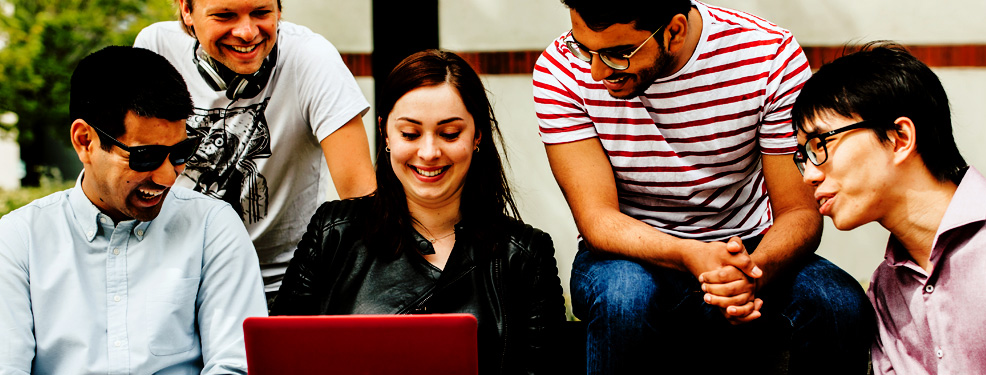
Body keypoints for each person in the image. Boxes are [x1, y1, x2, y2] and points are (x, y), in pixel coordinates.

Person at [532, 0, 874, 373]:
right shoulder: (560, 69)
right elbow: (597, 219)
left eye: (617, 54)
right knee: (623, 298)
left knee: (838, 302)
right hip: (626, 251)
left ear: (674, 31)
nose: (597, 72)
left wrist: (749, 274)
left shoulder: (767, 55)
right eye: (585, 48)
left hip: (747, 245)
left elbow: (800, 212)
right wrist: (690, 254)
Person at [0, 46, 267, 374]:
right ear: (84, 141)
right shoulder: (19, 241)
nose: (166, 176)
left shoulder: (211, 228)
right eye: (144, 156)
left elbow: (236, 364)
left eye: (180, 152)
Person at [272, 49, 565, 375]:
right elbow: (279, 358)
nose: (429, 152)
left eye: (450, 133)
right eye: (410, 133)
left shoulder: (524, 256)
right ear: (385, 133)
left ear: (477, 134)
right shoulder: (333, 233)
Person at [134, 0, 376, 297]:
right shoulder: (155, 47)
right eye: (225, 15)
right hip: (178, 277)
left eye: (261, 13)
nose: (247, 33)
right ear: (187, 10)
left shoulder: (312, 58)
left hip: (283, 287)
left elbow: (362, 201)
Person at [791, 43, 984, 374]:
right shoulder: (884, 292)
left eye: (820, 144)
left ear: (899, 138)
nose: (809, 175)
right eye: (802, 157)